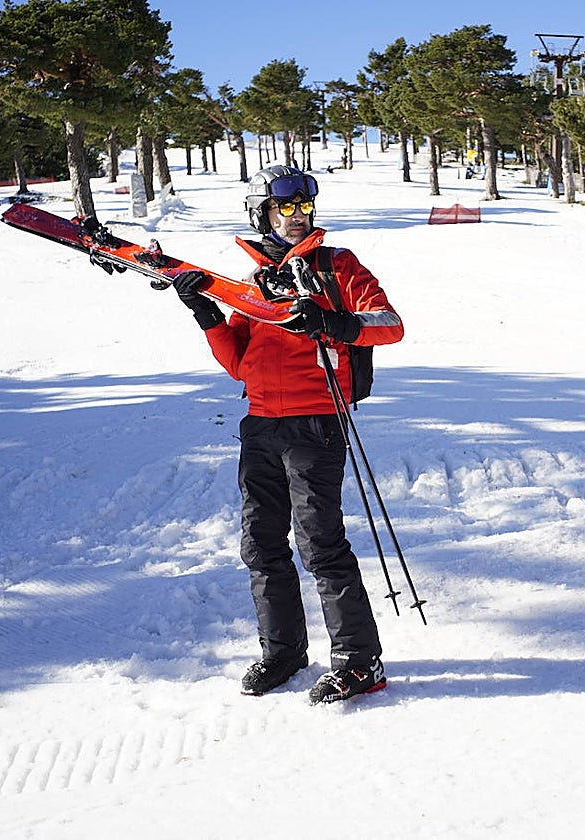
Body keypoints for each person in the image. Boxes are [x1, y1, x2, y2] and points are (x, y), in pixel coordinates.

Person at [170, 165, 404, 704]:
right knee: (262, 543)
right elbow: (239, 364)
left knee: (320, 543)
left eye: (304, 207)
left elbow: (390, 323)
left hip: (315, 421)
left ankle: (358, 662)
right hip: (261, 425)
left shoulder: (337, 266)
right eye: (285, 208)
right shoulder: (255, 282)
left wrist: (334, 323)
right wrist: (206, 315)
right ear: (264, 213)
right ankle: (283, 650)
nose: (298, 217)